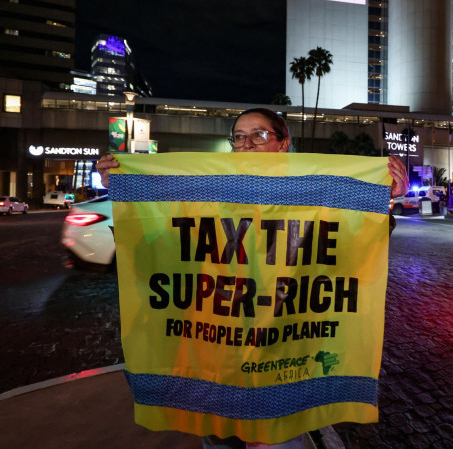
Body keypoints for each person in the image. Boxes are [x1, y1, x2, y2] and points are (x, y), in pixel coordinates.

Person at [96, 107, 408, 449]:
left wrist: (385, 201)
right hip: (216, 360)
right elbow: (159, 252)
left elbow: (351, 252)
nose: (246, 145)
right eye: (239, 137)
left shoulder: (317, 198)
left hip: (284, 356)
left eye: (259, 135)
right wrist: (124, 186)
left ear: (283, 144)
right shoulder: (205, 196)